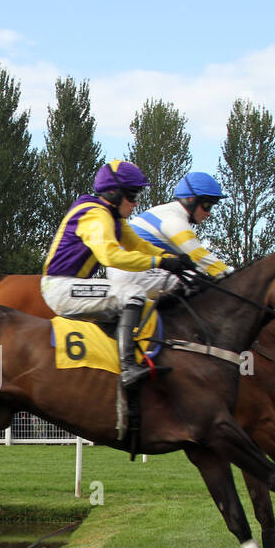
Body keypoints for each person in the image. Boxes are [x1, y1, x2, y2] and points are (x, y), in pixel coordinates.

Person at [40, 160, 201, 389]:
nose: (136, 203)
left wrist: (173, 259)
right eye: (133, 195)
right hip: (60, 287)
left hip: (70, 284)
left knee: (141, 303)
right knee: (133, 294)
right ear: (114, 193)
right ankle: (127, 367)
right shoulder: (95, 215)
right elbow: (111, 257)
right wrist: (160, 262)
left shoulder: (113, 216)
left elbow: (138, 245)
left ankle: (115, 357)